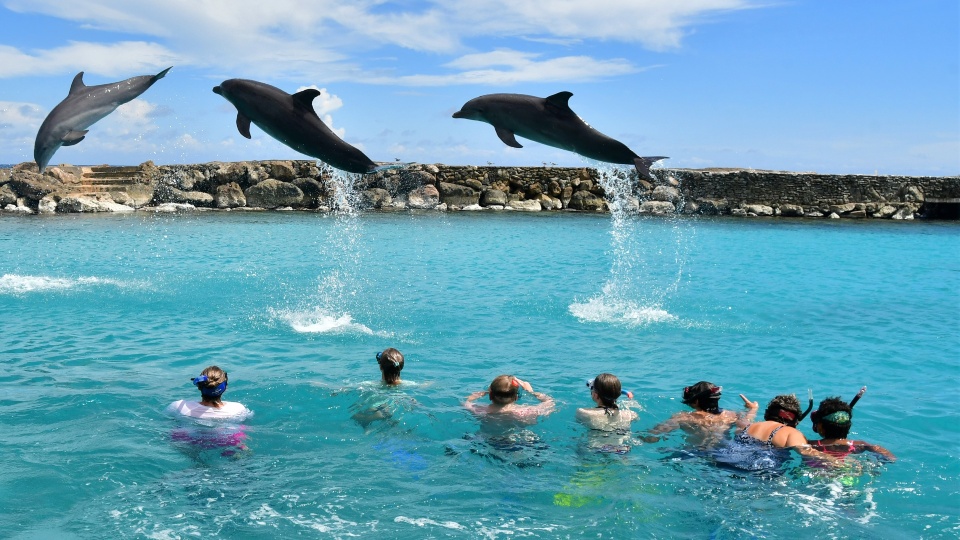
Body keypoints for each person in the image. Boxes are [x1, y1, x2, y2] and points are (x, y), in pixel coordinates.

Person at [712, 394, 836, 471]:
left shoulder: (748, 427)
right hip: (756, 473)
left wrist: (753, 409)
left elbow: (743, 420)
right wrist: (840, 463)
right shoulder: (791, 433)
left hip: (722, 462)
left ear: (767, 414)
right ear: (795, 422)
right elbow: (805, 451)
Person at [645, 381, 756, 449]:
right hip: (724, 453)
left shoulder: (684, 417)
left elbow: (652, 437)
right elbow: (746, 426)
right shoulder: (733, 415)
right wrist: (753, 409)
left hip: (696, 454)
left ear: (696, 401)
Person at [808, 396, 896, 462]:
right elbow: (891, 458)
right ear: (849, 426)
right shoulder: (859, 444)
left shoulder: (811, 445)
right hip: (849, 472)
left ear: (820, 427)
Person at [575, 373, 638, 454]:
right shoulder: (631, 415)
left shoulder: (584, 413)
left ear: (595, 395)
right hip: (621, 450)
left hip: (596, 450)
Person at [351, 348, 411, 428]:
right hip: (396, 400)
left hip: (376, 404)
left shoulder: (371, 385)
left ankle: (370, 420)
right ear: (401, 367)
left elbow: (351, 387)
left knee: (356, 413)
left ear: (380, 367)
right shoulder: (407, 384)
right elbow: (421, 386)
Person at [167, 365, 252, 420]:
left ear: (199, 387)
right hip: (226, 443)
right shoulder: (237, 409)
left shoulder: (178, 407)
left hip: (189, 443)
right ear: (225, 387)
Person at [464, 375, 555, 424]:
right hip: (520, 443)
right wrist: (531, 392)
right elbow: (550, 402)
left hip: (488, 441)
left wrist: (482, 393)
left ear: (491, 395)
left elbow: (466, 402)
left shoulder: (480, 410)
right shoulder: (527, 412)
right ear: (516, 397)